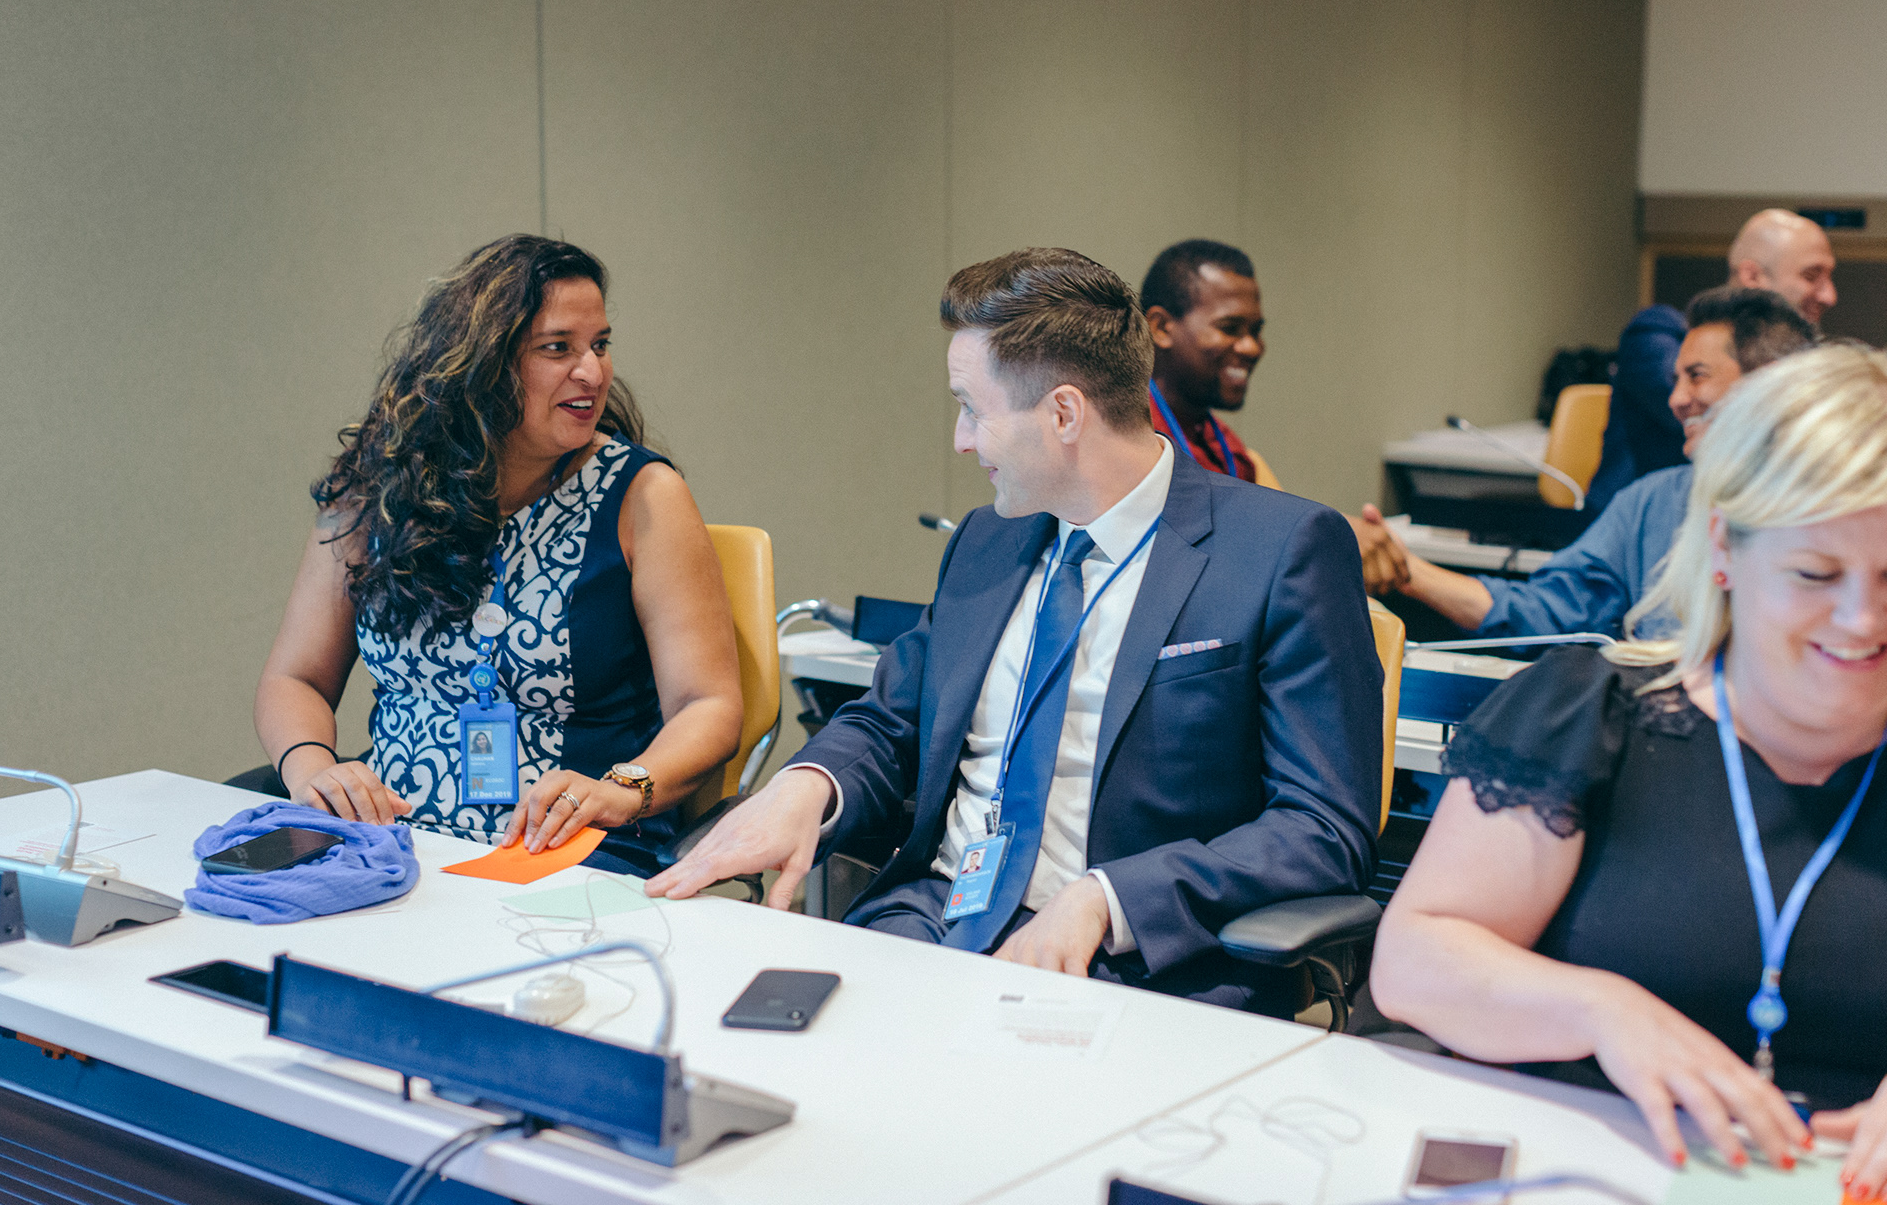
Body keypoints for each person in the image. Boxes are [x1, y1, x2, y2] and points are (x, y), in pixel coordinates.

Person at [650, 247, 1384, 1013]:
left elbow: (1322, 827)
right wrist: (809, 785)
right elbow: (892, 718)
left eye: (972, 408)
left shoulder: (1278, 550)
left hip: (1133, 962)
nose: (962, 440)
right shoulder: (987, 540)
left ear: (1064, 414)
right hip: (932, 920)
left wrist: (1108, 898)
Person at [1368, 345, 1887, 1182]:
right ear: (1724, 548)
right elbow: (1414, 963)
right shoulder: (1590, 713)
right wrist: (1601, 1009)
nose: (1863, 619)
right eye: (1816, 573)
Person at [254, 234, 742, 874]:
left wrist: (625, 789)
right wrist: (312, 768)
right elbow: (295, 679)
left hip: (565, 846)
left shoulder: (643, 495)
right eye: (557, 348)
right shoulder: (376, 484)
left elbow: (709, 706)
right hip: (389, 836)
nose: (592, 372)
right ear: (481, 364)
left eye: (599, 345)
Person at [1367, 287, 1814, 640]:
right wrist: (1409, 570)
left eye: (1696, 376)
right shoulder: (1653, 503)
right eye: (1675, 379)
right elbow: (1548, 610)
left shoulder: (1832, 511)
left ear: (1769, 384)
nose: (1676, 400)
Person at [1141, 239, 1409, 592]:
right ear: (1161, 327)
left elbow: (1271, 531)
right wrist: (1325, 538)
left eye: (1256, 331)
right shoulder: (1131, 437)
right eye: (1230, 328)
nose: (1252, 347)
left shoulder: (1226, 446)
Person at [1586, 209, 1838, 511]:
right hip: (1642, 526)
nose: (1829, 296)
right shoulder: (1655, 333)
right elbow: (1708, 409)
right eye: (1811, 276)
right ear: (1752, 276)